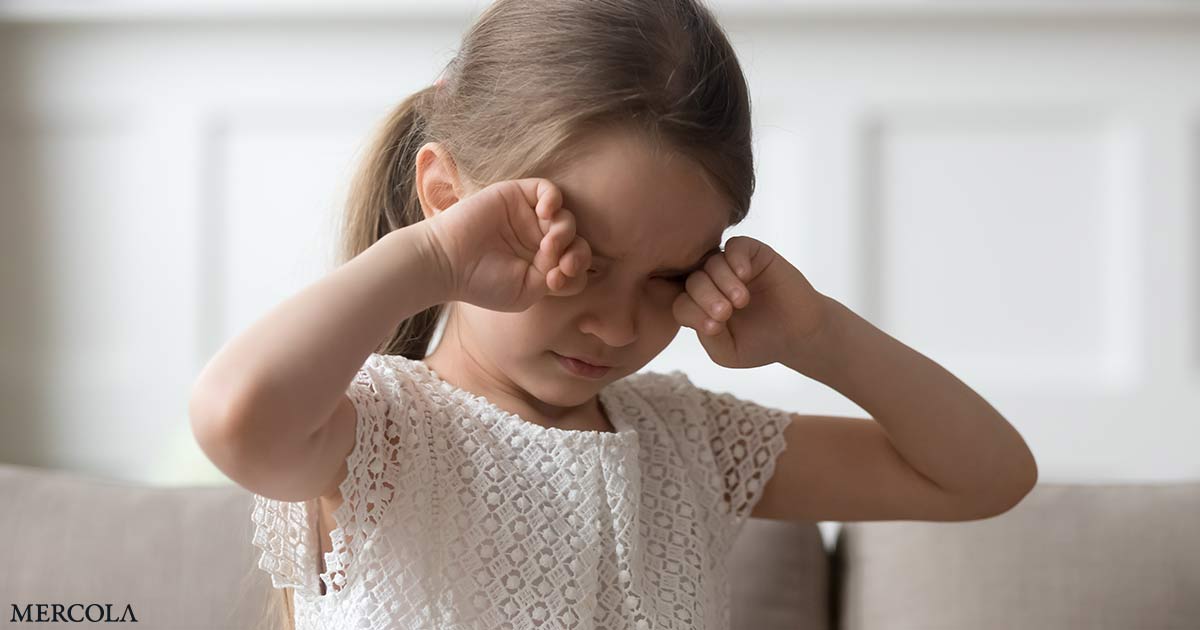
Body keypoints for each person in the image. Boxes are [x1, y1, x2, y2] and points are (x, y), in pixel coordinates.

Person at [189, 0, 1039, 628]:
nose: (617, 325)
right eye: (578, 264)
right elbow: (236, 416)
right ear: (448, 198)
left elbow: (986, 475)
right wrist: (432, 257)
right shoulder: (379, 431)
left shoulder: (688, 441)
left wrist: (820, 337)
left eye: (670, 276)